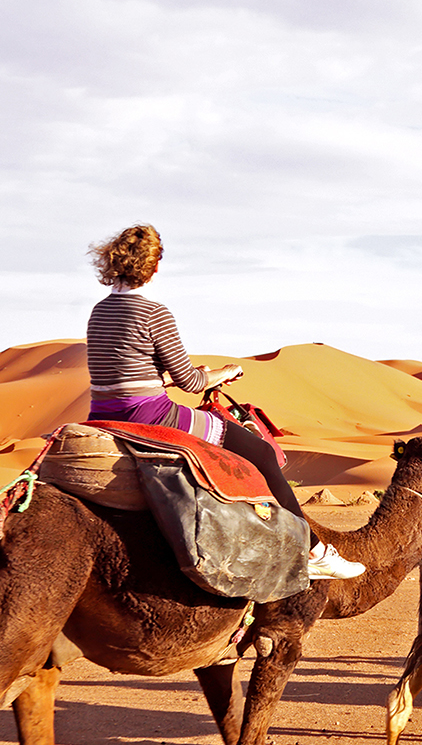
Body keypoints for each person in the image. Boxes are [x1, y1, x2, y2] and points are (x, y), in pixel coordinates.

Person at [84, 224, 363, 580]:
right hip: (150, 415)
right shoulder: (154, 313)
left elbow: (126, 373)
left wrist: (169, 378)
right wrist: (223, 372)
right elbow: (190, 382)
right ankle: (314, 551)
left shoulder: (100, 312)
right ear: (154, 267)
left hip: (103, 414)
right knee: (259, 453)